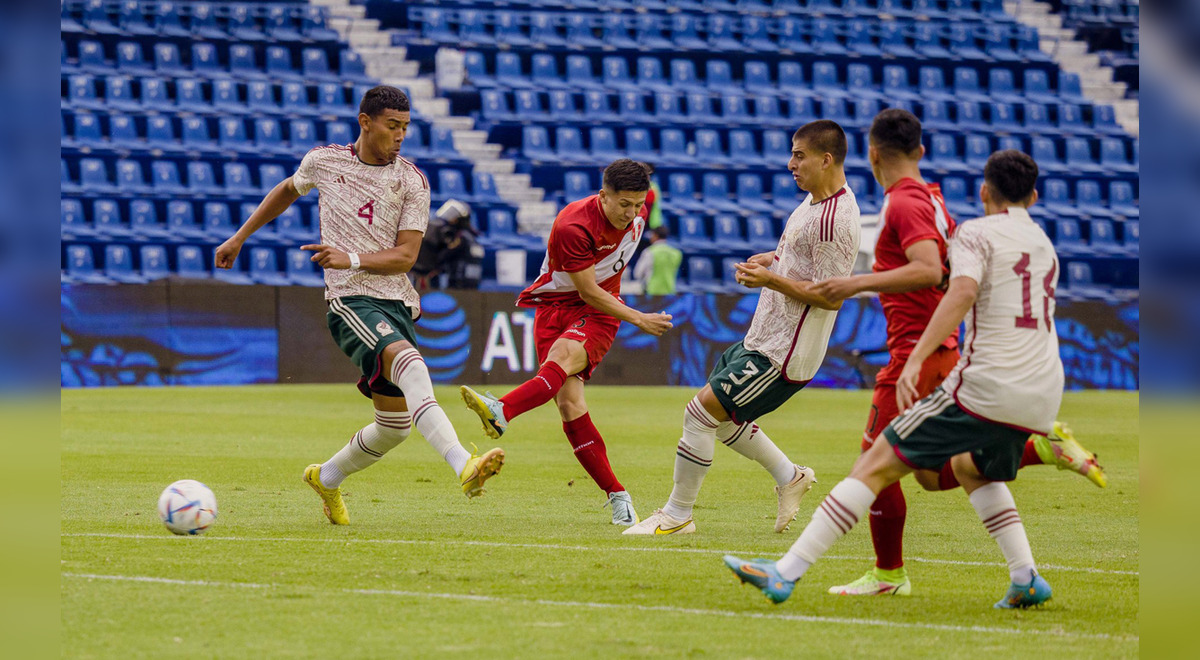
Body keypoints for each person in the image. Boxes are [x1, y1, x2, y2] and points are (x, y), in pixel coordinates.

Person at [725, 150, 1067, 610]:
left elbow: (956, 288)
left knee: (874, 463)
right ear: (1035, 195)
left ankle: (785, 573)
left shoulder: (974, 231)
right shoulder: (1044, 243)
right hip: (1045, 388)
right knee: (969, 469)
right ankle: (1026, 576)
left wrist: (913, 356)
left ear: (985, 192)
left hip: (985, 384)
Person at [810, 109, 1107, 597]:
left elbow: (931, 271)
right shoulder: (934, 201)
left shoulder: (905, 202)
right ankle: (1025, 563)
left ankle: (879, 574)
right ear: (921, 152)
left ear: (872, 153)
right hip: (945, 352)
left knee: (874, 463)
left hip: (916, 350)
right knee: (931, 473)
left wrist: (855, 283)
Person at [214, 86, 504, 526]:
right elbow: (289, 189)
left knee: (394, 428)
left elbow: (406, 257)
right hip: (350, 299)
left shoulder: (412, 181)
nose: (401, 135)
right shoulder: (325, 161)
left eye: (406, 127)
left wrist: (348, 255)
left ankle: (325, 478)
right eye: (393, 125)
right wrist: (239, 236)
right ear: (365, 121)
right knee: (412, 365)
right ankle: (464, 464)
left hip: (398, 302)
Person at [624, 120, 860, 536]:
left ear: (826, 160)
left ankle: (677, 516)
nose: (790, 163)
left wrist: (770, 280)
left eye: (799, 155)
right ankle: (790, 477)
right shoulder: (812, 203)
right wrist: (773, 258)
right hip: (764, 336)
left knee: (699, 414)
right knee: (726, 420)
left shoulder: (834, 220)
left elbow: (831, 296)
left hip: (784, 352)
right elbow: (801, 256)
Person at [459, 159, 674, 525]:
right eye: (624, 204)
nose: (632, 213)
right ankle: (618, 495)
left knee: (562, 357)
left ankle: (503, 410)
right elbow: (587, 290)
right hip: (563, 304)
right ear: (603, 195)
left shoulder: (639, 204)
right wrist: (640, 318)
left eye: (639, 205)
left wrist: (643, 173)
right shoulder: (573, 226)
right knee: (570, 405)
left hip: (603, 310)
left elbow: (597, 297)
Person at [633, 225, 682, 295]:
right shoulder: (676, 253)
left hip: (652, 291)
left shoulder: (649, 251)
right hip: (670, 291)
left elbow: (637, 273)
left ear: (655, 235)